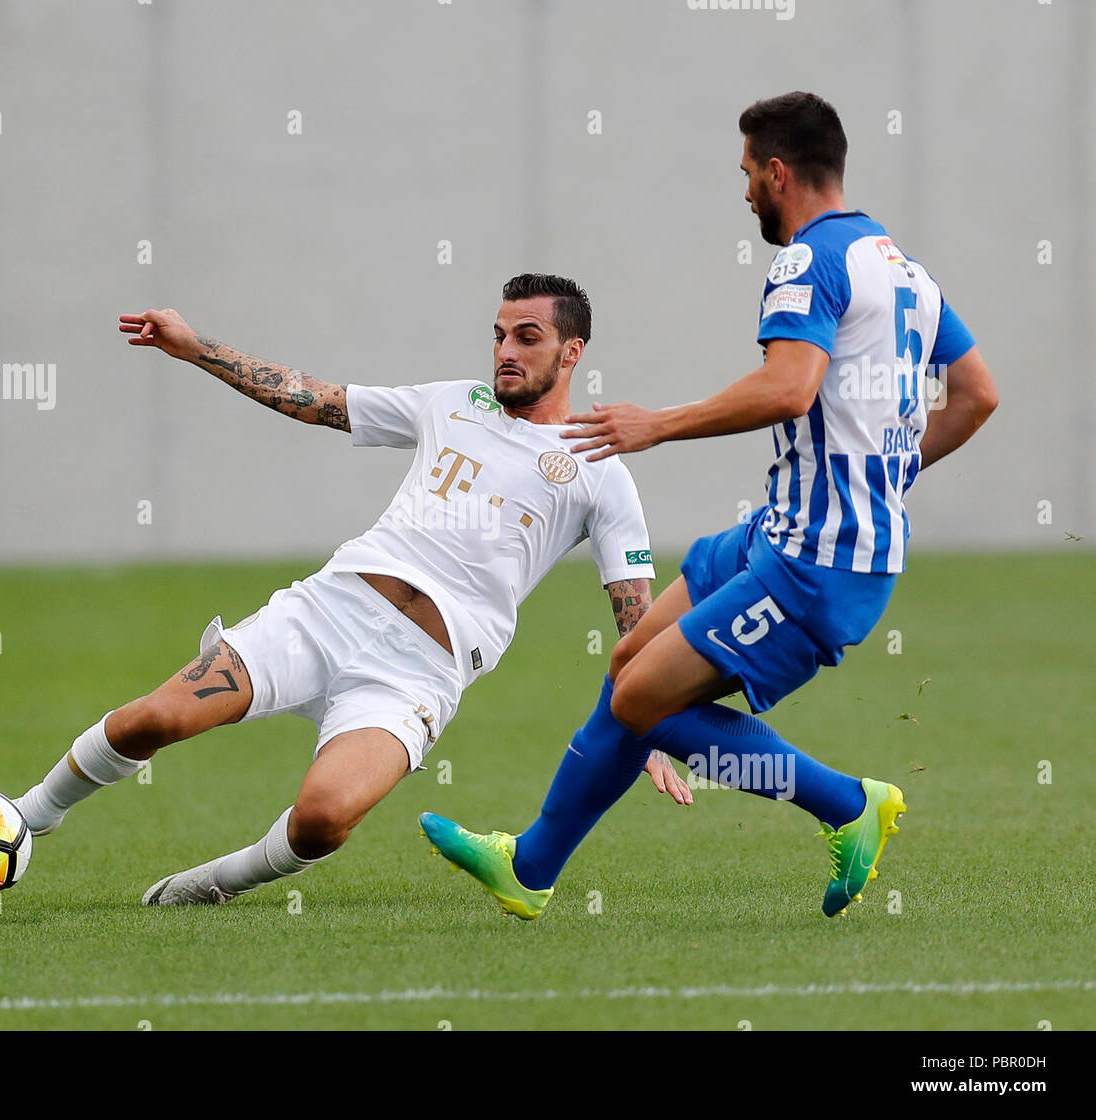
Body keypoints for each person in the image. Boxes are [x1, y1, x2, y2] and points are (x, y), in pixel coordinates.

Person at [421, 91, 999, 919]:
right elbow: (977, 394)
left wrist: (658, 425)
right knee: (628, 672)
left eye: (746, 176)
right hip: (781, 530)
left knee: (643, 703)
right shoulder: (904, 270)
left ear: (776, 171)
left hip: (818, 563)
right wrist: (884, 477)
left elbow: (791, 388)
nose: (744, 195)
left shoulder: (808, 261)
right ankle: (532, 867)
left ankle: (848, 804)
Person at [15, 274, 663, 906]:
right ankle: (28, 816)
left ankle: (222, 880)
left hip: (418, 675)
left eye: (527, 337)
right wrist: (196, 348)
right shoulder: (451, 403)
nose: (505, 352)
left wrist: (653, 725)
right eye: (498, 336)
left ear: (571, 352)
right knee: (154, 718)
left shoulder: (600, 470)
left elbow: (636, 617)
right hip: (327, 613)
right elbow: (316, 398)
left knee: (322, 820)